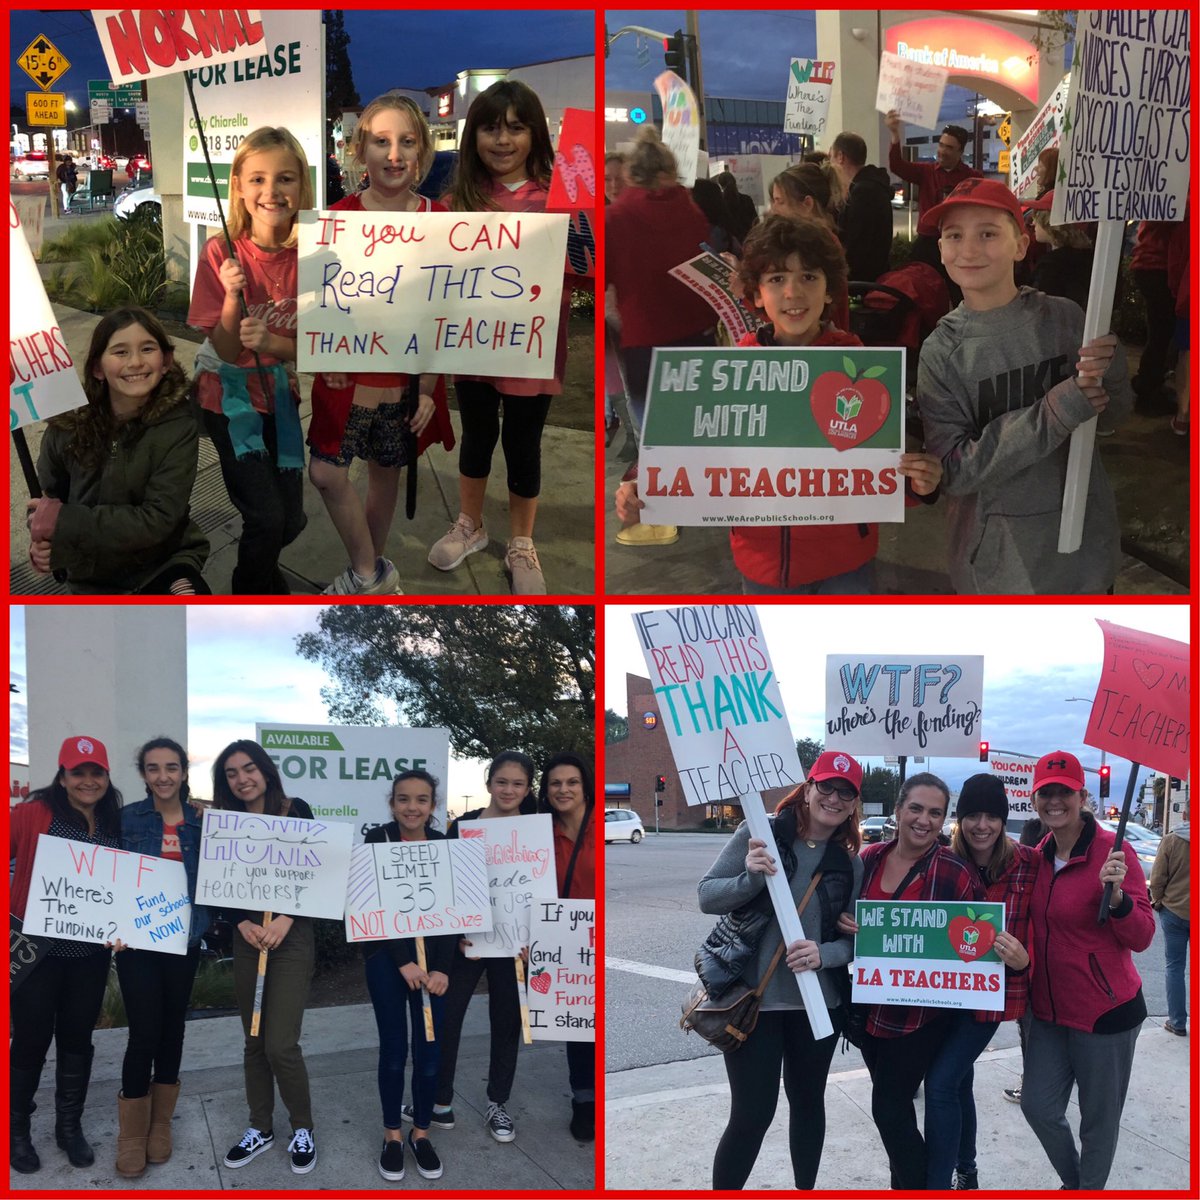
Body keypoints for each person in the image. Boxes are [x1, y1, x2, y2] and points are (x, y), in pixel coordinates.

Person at [615, 215, 942, 593]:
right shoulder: (732, 369)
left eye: (808, 277)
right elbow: (691, 447)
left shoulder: (862, 367)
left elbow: (884, 463)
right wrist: (642, 485)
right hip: (762, 564)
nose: (793, 292)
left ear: (830, 290)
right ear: (756, 294)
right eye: (776, 279)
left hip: (846, 561)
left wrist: (919, 485)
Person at [915, 178, 1133, 594]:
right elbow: (955, 472)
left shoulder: (1066, 319)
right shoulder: (942, 353)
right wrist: (1057, 410)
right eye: (954, 235)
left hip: (1086, 554)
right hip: (1001, 570)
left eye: (988, 233)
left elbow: (1113, 419)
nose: (970, 248)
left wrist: (1114, 368)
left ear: (1021, 244)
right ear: (941, 250)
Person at [427, 80, 577, 594]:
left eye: (516, 126)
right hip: (473, 350)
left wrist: (586, 230)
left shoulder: (561, 200)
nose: (503, 139)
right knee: (477, 438)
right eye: (490, 127)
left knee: (523, 445)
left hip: (532, 353)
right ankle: (470, 524)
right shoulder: (453, 204)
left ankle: (521, 541)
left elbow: (585, 273)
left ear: (535, 133)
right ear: (473, 137)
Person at [697, 751, 865, 1189]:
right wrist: (749, 877)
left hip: (818, 1006)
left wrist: (824, 954)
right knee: (753, 1114)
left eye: (845, 793)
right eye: (825, 786)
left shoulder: (850, 863)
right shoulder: (760, 835)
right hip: (756, 1003)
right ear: (807, 788)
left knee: (809, 1104)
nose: (833, 797)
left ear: (853, 805)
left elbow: (854, 940)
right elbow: (707, 897)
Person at [307, 96, 451, 595]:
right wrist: (323, 355)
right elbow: (319, 303)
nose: (394, 154)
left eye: (406, 142)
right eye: (382, 141)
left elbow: (451, 313)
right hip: (347, 385)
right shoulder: (336, 219)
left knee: (384, 476)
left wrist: (430, 388)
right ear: (359, 151)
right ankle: (371, 572)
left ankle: (368, 577)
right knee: (326, 473)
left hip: (407, 388)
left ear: (422, 152)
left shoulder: (444, 221)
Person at [1021, 750, 1155, 1190]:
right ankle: (1077, 1182)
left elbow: (1142, 936)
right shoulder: (1037, 856)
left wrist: (1117, 902)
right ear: (1034, 798)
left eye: (1064, 792)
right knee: (1038, 1107)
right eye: (1046, 793)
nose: (1054, 801)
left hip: (1106, 1015)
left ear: (1082, 796)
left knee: (1098, 1124)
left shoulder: (1114, 854)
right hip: (1047, 1014)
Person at [188, 127, 312, 595]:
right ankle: (251, 591)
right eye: (257, 179)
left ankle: (262, 574)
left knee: (292, 519)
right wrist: (231, 296)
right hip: (228, 398)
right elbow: (221, 349)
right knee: (265, 515)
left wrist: (275, 345)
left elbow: (326, 343)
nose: (271, 191)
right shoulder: (221, 251)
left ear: (302, 184)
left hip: (280, 396)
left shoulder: (315, 254)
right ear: (237, 185)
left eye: (284, 178)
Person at [841, 773, 981, 1190]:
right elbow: (843, 920)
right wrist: (846, 924)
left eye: (935, 812)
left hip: (921, 1016)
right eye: (916, 808)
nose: (924, 819)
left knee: (888, 1108)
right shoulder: (869, 860)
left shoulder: (955, 873)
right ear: (899, 810)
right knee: (896, 1114)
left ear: (944, 821)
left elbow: (972, 950)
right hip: (870, 1011)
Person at [28, 307, 209, 595]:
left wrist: (64, 521)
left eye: (147, 348)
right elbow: (48, 502)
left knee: (191, 621)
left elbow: (159, 518)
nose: (136, 362)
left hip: (162, 563)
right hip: (90, 573)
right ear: (98, 368)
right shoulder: (66, 428)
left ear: (166, 361)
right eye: (120, 352)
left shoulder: (178, 427)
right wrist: (45, 542)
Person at [10, 736, 122, 1174]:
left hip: (90, 954)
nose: (88, 780)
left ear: (107, 778)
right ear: (62, 776)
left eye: (96, 772)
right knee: (32, 1041)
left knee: (77, 1041)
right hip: (38, 953)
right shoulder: (34, 813)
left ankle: (68, 1128)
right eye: (78, 772)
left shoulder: (115, 822)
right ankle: (17, 1132)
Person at [925, 774, 1038, 1190]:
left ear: (1004, 819)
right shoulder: (942, 860)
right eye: (972, 814)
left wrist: (1025, 960)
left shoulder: (1029, 863)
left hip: (989, 1002)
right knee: (958, 1082)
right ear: (960, 819)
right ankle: (967, 1168)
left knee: (940, 1084)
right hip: (941, 996)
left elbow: (1050, 924)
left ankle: (935, 1184)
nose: (982, 825)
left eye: (992, 815)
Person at [212, 740, 318, 1174]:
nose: (242, 779)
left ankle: (302, 1127)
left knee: (280, 1043)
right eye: (232, 773)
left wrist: (286, 919)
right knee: (254, 1039)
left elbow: (317, 871)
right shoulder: (225, 821)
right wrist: (242, 923)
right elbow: (216, 881)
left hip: (289, 935)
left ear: (267, 771)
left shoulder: (295, 809)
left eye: (249, 769)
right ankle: (261, 1126)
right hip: (248, 935)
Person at [606, 125, 714, 548]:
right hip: (698, 337)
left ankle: (662, 515)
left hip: (646, 342)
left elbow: (607, 277)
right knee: (695, 425)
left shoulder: (617, 217)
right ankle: (700, 499)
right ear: (671, 170)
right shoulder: (691, 211)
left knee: (653, 432)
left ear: (632, 173)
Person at [113, 737, 209, 1177]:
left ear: (184, 772)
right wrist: (107, 926)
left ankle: (160, 1126)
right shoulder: (126, 819)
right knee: (143, 1033)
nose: (163, 776)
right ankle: (132, 1134)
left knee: (173, 1031)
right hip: (136, 946)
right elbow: (105, 875)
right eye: (154, 768)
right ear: (143, 774)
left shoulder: (203, 822)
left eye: (171, 767)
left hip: (184, 943)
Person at [435, 751, 539, 1142]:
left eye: (518, 783)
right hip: (468, 943)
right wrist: (452, 931)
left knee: (506, 1022)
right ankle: (439, 1099)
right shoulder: (464, 825)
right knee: (448, 1018)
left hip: (515, 946)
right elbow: (445, 883)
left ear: (527, 788)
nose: (509, 789)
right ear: (488, 782)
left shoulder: (534, 830)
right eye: (502, 781)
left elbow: (543, 890)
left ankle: (498, 1102)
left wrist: (537, 937)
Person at [364, 771, 455, 1182]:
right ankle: (393, 1136)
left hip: (432, 965)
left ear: (432, 806)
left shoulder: (444, 846)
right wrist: (403, 961)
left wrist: (441, 968)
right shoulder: (377, 841)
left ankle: (421, 1133)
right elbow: (368, 908)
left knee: (430, 1052)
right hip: (387, 959)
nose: (412, 807)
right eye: (403, 799)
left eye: (421, 800)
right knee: (394, 1050)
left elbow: (455, 914)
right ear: (392, 803)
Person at [537, 752, 597, 1141]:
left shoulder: (601, 827)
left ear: (584, 786)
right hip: (560, 939)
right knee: (578, 1025)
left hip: (600, 937)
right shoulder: (538, 832)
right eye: (555, 783)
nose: (563, 789)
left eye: (572, 782)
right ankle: (584, 1101)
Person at [1129, 220, 1181, 415]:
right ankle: (1148, 389)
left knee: (1161, 332)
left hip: (1153, 265)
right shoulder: (1182, 196)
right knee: (1162, 333)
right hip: (1158, 266)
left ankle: (1150, 382)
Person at [885, 114, 980, 220]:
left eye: (949, 147)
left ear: (960, 152)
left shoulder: (973, 178)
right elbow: (896, 166)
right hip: (927, 234)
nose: (942, 151)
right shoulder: (926, 171)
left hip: (956, 233)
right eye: (941, 145)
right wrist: (894, 133)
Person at [829, 131, 893, 283]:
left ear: (840, 157)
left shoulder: (863, 192)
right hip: (872, 277)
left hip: (863, 282)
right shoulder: (870, 186)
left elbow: (856, 246)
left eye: (831, 157)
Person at [1149, 803, 1190, 1036]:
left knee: (1174, 967)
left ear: (1184, 814)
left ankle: (1177, 1022)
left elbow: (1157, 879)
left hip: (1174, 911)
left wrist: (1158, 901)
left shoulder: (1171, 840)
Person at [1026, 191, 1094, 312]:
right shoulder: (1090, 258)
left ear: (1051, 222)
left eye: (1038, 217)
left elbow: (1039, 311)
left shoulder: (1051, 266)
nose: (1033, 223)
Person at [714, 170, 759, 244]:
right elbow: (755, 221)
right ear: (735, 182)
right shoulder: (746, 199)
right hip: (747, 240)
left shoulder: (720, 202)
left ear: (720, 185)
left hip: (729, 243)